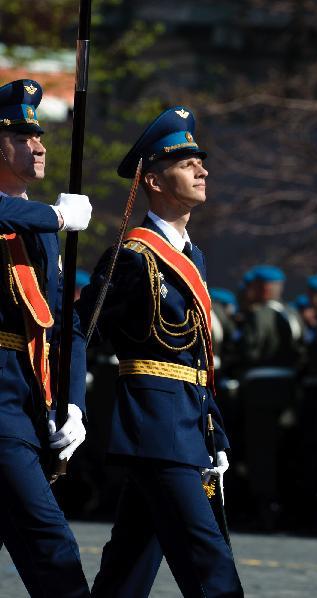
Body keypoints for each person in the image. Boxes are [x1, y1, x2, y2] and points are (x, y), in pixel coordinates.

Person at [77, 106, 242, 597]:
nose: (202, 170)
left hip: (188, 425)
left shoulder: (195, 257)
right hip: (153, 426)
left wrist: (215, 429)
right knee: (210, 565)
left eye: (201, 162)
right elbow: (80, 333)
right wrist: (65, 404)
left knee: (130, 565)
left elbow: (196, 357)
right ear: (152, 181)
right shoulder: (131, 256)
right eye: (188, 164)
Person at [0, 77, 93, 597]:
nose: (37, 144)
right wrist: (55, 216)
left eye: (38, 135)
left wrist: (74, 403)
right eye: (19, 135)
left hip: (30, 398)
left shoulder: (39, 230)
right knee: (51, 544)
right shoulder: (38, 219)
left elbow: (66, 324)